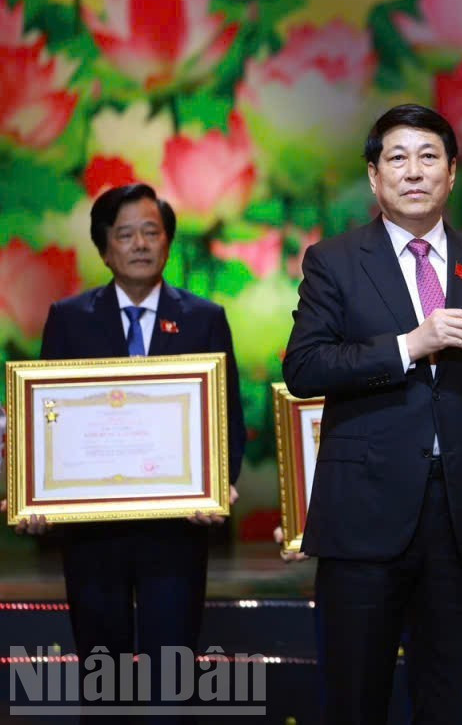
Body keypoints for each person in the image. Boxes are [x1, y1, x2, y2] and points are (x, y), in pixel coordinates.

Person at [282, 104, 462, 725]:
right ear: (374, 177)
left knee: (451, 698)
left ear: (453, 173)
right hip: (363, 514)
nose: (414, 172)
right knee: (356, 696)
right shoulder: (332, 260)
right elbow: (304, 369)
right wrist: (410, 345)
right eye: (397, 158)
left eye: (428, 157)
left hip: (461, 516)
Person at [13, 183, 247, 722]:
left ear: (167, 243)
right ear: (103, 248)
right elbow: (46, 418)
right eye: (125, 234)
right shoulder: (70, 318)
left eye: (151, 232)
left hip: (176, 530)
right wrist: (36, 493)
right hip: (94, 535)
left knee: (173, 678)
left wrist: (220, 483)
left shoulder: (203, 317)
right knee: (104, 681)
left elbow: (227, 417)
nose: (140, 244)